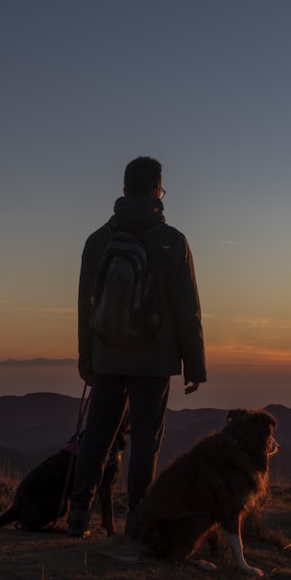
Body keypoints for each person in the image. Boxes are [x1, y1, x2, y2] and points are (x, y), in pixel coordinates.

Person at [68, 156, 206, 539]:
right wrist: (194, 366)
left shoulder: (98, 241)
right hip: (155, 359)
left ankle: (78, 515)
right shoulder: (172, 241)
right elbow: (187, 309)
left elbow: (85, 309)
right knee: (146, 440)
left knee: (97, 434)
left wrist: (87, 359)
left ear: (124, 189)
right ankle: (138, 520)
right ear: (157, 189)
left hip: (108, 355)